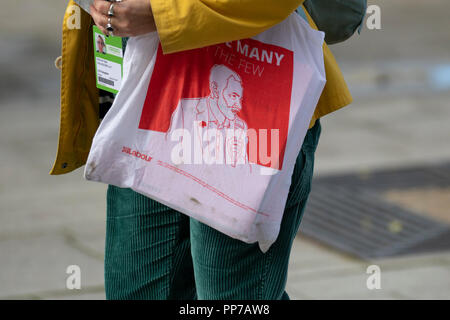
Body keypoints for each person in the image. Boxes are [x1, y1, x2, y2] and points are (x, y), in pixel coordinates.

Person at [51, 0, 353, 299]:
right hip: (144, 91)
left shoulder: (237, 120)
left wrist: (163, 15)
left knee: (231, 295)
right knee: (136, 289)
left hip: (252, 87)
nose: (232, 103)